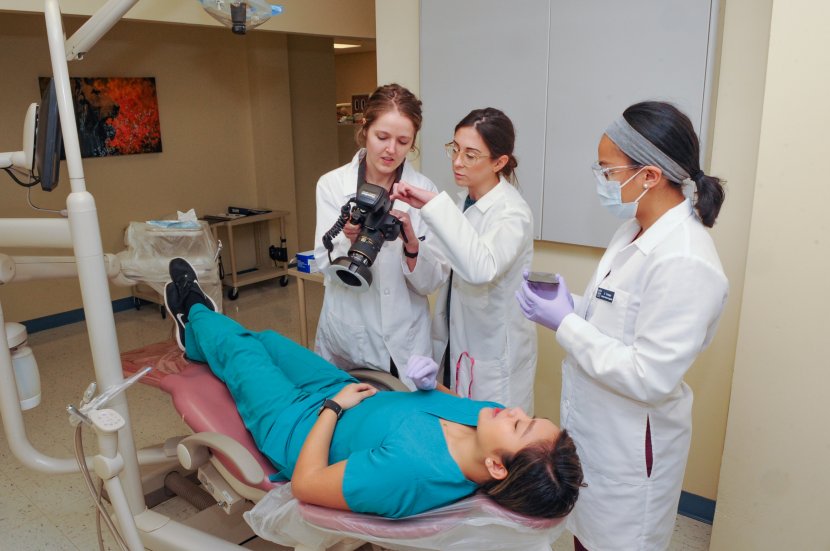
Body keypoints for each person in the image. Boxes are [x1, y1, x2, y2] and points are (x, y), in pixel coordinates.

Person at [163, 257, 584, 520]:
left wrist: (332, 409)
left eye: (520, 426)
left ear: (497, 467)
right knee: (269, 341)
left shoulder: (410, 474)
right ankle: (198, 339)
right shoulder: (487, 419)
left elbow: (308, 484)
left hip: (296, 426)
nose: (515, 411)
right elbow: (448, 403)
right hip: (343, 390)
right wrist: (429, 384)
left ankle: (192, 308)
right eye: (529, 416)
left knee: (240, 349)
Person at [515, 101, 728, 550]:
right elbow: (618, 319)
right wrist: (571, 305)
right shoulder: (633, 229)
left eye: (608, 171)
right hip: (597, 429)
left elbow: (649, 375)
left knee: (616, 541)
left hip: (631, 446)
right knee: (586, 536)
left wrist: (566, 323)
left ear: (649, 175)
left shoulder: (686, 260)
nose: (602, 180)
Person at [391, 108, 537, 411]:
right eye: (455, 149)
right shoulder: (463, 204)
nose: (457, 161)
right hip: (455, 345)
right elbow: (439, 273)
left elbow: (480, 268)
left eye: (470, 155)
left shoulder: (512, 213)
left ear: (499, 162)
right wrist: (412, 244)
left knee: (493, 434)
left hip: (491, 358)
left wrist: (437, 207)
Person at [313, 83, 445, 389]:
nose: (391, 150)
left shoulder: (424, 191)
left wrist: (411, 247)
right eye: (382, 137)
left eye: (403, 141)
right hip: (348, 333)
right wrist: (347, 238)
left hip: (405, 339)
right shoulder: (333, 185)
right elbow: (322, 262)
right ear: (365, 129)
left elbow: (431, 282)